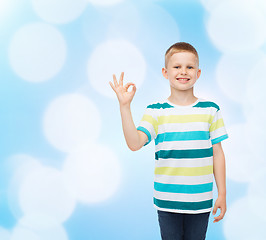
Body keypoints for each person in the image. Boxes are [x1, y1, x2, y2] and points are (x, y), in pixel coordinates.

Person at [109, 42, 228, 240]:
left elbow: (218, 153)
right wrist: (125, 107)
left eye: (190, 67)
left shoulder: (210, 110)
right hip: (167, 201)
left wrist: (222, 194)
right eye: (177, 67)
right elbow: (134, 143)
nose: (184, 71)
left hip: (200, 202)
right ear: (165, 72)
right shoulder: (155, 111)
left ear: (198, 73)